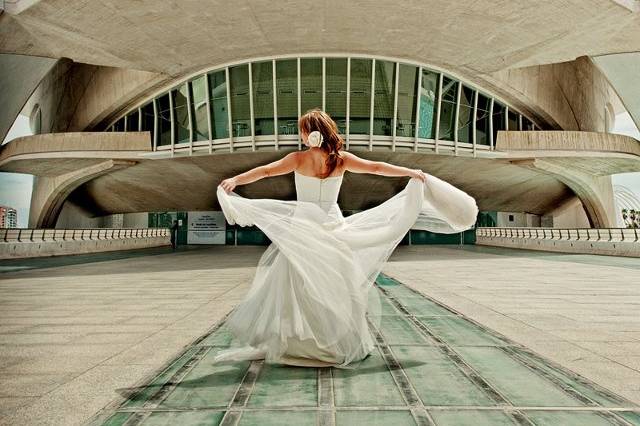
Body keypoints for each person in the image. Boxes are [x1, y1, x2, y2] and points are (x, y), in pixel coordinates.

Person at [215, 108, 478, 369]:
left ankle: (301, 341)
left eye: (303, 131)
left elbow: (265, 172)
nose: (302, 136)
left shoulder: (297, 158)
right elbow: (376, 168)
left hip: (305, 227)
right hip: (333, 226)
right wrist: (409, 172)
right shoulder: (340, 160)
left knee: (298, 287)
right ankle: (334, 342)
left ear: (310, 133)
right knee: (338, 285)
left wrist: (236, 180)